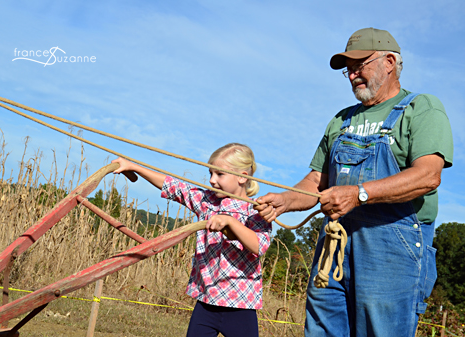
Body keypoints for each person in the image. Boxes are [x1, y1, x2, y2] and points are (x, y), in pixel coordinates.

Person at [255, 27, 453, 337]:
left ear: (389, 61)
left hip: (391, 248)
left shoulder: (420, 108)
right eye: (348, 70)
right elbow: (316, 181)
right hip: (334, 246)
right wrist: (286, 200)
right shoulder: (341, 120)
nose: (352, 75)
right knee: (321, 330)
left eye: (359, 65)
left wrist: (358, 194)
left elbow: (428, 175)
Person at [112, 143, 272, 337]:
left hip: (240, 306)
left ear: (242, 177)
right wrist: (133, 166)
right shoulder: (206, 202)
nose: (212, 180)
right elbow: (173, 186)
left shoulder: (256, 211)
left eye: (219, 174)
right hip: (206, 303)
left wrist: (230, 222)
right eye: (211, 173)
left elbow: (259, 246)